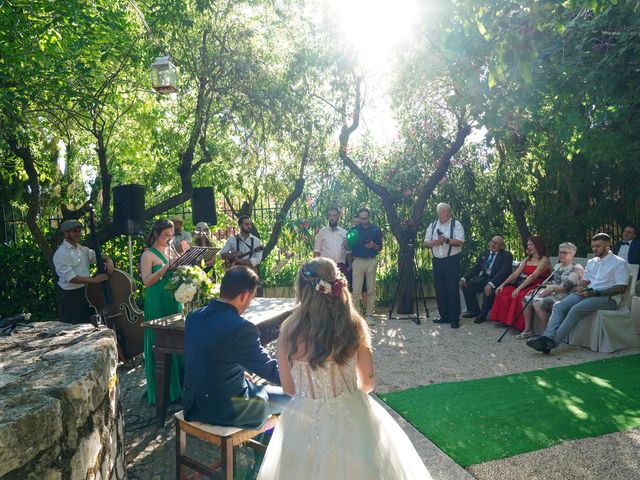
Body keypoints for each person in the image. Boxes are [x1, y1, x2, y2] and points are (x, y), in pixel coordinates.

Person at [257, 258, 431, 479]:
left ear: (301, 290)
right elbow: (368, 383)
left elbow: (290, 389)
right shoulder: (354, 324)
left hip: (303, 417)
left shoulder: (289, 330)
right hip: (352, 413)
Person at [183, 266, 289, 428]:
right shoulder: (242, 328)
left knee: (262, 391)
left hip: (195, 405)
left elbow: (211, 357)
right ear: (244, 295)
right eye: (251, 298)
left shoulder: (193, 317)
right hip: (226, 410)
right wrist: (303, 381)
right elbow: (269, 369)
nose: (249, 303)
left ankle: (263, 449)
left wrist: (237, 371)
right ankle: (266, 452)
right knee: (295, 400)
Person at [527, 233, 630, 354]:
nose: (594, 249)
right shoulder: (592, 262)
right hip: (588, 293)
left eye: (598, 246)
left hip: (608, 298)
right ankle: (548, 337)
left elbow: (620, 288)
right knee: (559, 306)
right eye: (593, 246)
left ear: (608, 246)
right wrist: (581, 286)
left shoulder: (619, 263)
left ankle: (552, 342)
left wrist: (593, 293)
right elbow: (585, 282)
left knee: (576, 309)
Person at [140, 219, 184, 405]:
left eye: (171, 235)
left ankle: (179, 388)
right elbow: (146, 282)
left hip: (173, 299)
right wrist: (165, 268)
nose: (169, 238)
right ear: (157, 234)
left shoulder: (171, 250)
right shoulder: (148, 254)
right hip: (157, 300)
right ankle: (160, 391)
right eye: (166, 235)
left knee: (177, 340)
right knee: (159, 341)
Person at [516, 242, 584, 339]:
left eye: (565, 253)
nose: (561, 254)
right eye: (560, 252)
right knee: (526, 298)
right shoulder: (558, 266)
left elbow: (567, 287)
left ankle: (547, 334)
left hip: (566, 295)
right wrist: (537, 289)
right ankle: (528, 330)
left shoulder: (576, 267)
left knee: (538, 303)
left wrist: (552, 289)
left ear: (572, 254)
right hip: (553, 292)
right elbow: (549, 282)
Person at [53, 219, 114, 324]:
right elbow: (72, 278)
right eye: (74, 231)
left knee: (89, 325)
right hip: (70, 297)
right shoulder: (61, 253)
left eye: (79, 230)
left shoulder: (83, 250)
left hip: (86, 292)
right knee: (71, 328)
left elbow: (99, 257)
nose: (78, 233)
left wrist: (109, 260)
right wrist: (95, 280)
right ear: (66, 233)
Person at [489, 235, 551, 330]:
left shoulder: (544, 260)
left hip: (537, 284)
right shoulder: (527, 259)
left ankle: (520, 325)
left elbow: (533, 276)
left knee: (520, 295)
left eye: (531, 244)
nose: (529, 246)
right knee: (504, 291)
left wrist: (518, 289)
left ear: (538, 245)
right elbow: (515, 274)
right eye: (528, 244)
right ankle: (505, 321)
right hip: (525, 282)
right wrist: (502, 285)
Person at [424, 202, 465, 328]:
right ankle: (444, 316)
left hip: (451, 260)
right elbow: (425, 243)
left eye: (447, 210)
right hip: (437, 261)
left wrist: (446, 240)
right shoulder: (432, 225)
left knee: (452, 289)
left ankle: (454, 318)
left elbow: (460, 242)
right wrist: (435, 242)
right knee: (440, 289)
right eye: (443, 211)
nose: (446, 213)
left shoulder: (456, 224)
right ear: (438, 213)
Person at [460, 235, 513, 324]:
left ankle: (483, 315)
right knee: (467, 285)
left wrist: (491, 283)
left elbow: (504, 272)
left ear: (501, 246)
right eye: (492, 242)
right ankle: (474, 310)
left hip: (497, 280)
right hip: (485, 278)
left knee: (489, 290)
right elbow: (477, 268)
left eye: (496, 243)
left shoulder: (506, 255)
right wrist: (464, 278)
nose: (493, 244)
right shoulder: (484, 253)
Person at [349, 208, 382, 320]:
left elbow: (379, 248)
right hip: (357, 261)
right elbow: (348, 247)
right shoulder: (354, 230)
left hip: (371, 261)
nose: (364, 221)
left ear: (369, 217)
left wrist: (373, 245)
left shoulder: (376, 230)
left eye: (366, 218)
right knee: (356, 291)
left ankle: (369, 315)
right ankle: (355, 317)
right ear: (359, 218)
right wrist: (346, 242)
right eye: (362, 218)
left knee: (371, 290)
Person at [313, 206, 348, 274]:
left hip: (341, 267)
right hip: (325, 266)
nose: (332, 218)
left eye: (334, 215)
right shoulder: (321, 233)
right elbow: (316, 251)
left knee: (341, 284)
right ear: (328, 217)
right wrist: (315, 267)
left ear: (338, 217)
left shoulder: (345, 233)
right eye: (330, 215)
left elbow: (348, 251)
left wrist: (350, 267)